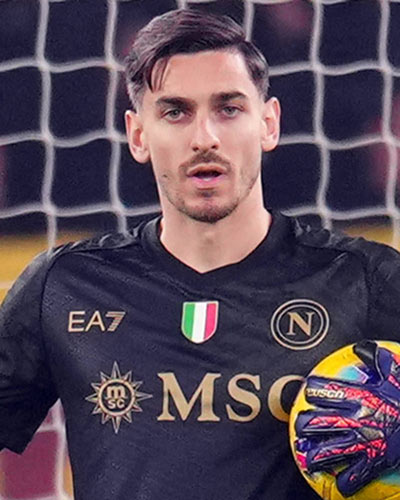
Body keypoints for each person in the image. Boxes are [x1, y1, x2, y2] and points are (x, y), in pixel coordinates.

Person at [1, 8, 400, 500]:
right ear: (138, 134)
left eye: (228, 108)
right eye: (175, 111)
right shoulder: (64, 285)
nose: (204, 138)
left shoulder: (364, 280)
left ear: (269, 124)